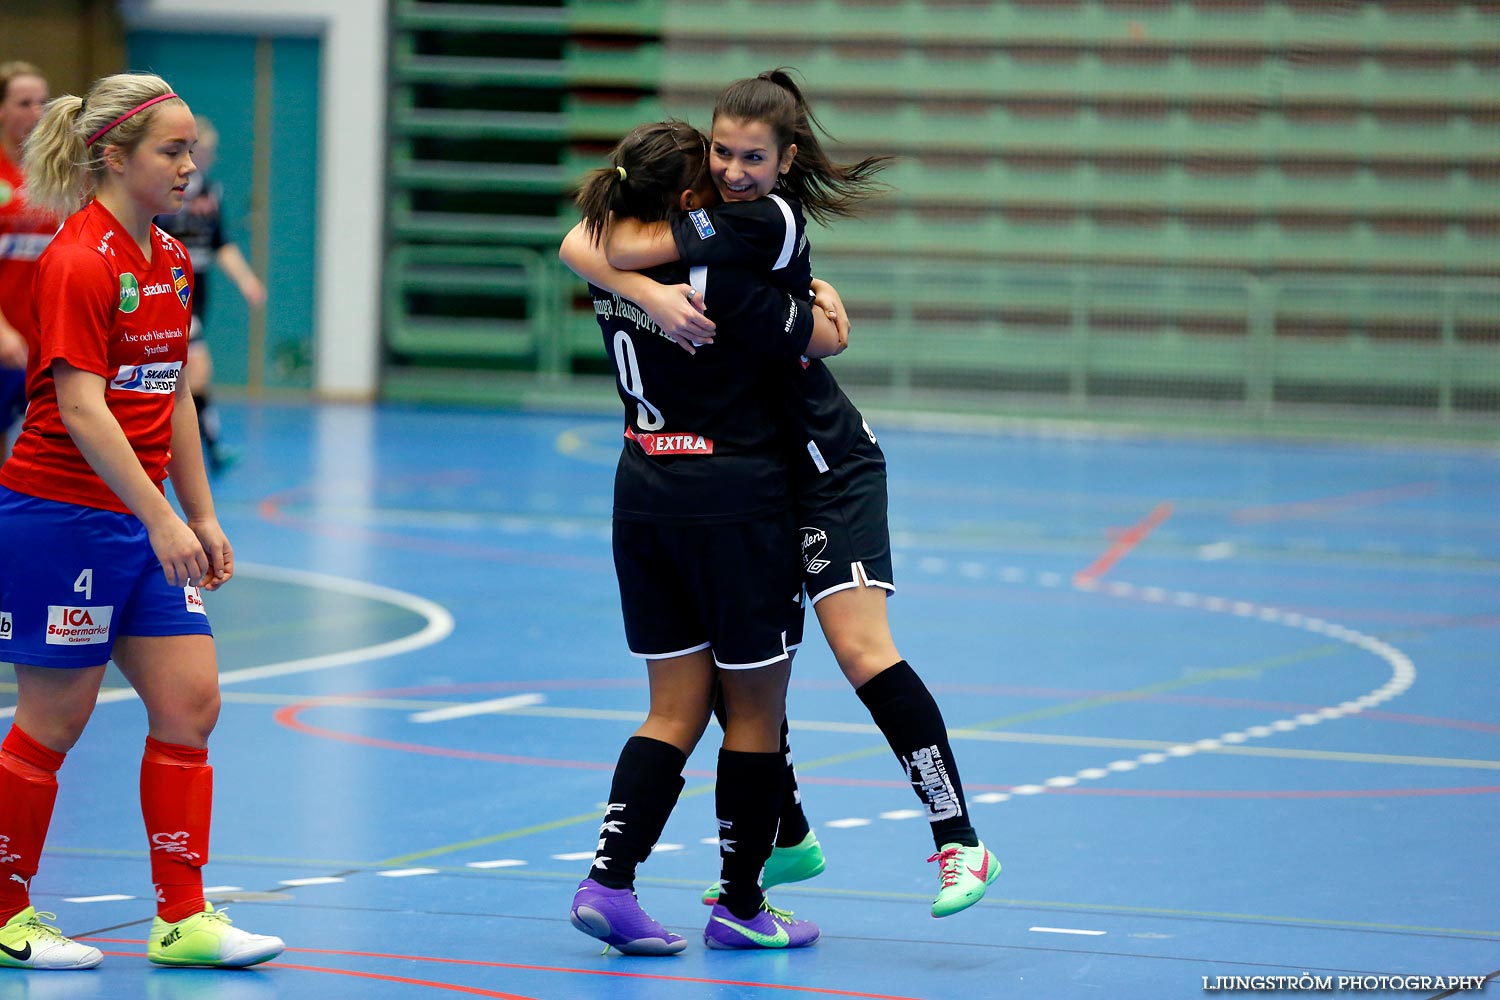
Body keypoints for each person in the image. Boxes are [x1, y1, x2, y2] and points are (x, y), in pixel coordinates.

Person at [595, 68, 1002, 920]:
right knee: (748, 671)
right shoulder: (702, 248)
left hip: (829, 469)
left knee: (855, 651)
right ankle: (785, 841)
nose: (735, 170)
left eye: (753, 157)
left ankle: (960, 841)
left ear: (784, 163)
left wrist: (634, 281)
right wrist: (642, 291)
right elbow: (592, 244)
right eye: (721, 153)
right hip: (759, 479)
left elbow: (610, 247)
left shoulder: (748, 235)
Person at [0, 71, 284, 971]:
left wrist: (199, 514)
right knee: (55, 722)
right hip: (61, 519)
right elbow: (83, 409)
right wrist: (161, 516)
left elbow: (164, 402)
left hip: (141, 520)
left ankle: (183, 917)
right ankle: (6, 913)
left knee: (191, 704)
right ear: (114, 158)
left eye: (190, 148)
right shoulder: (79, 258)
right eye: (171, 149)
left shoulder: (166, 258)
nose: (189, 164)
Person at [559, 120, 847, 954]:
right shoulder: (718, 274)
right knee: (755, 711)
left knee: (673, 708)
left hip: (643, 489)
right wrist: (827, 306)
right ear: (688, 202)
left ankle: (609, 882)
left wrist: (646, 293)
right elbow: (820, 337)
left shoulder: (614, 263)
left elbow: (582, 239)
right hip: (732, 499)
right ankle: (742, 905)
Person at [153, 115, 265, 474]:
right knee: (194, 370)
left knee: (187, 374)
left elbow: (222, 243)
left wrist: (247, 281)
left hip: (197, 292)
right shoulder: (161, 191)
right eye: (199, 150)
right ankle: (195, 445)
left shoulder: (211, 193)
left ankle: (206, 445)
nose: (205, 158)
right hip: (169, 289)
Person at [0, 61, 53, 459]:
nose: (37, 113)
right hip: (6, 336)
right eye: (24, 103)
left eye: (43, 102)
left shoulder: (56, 177)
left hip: (47, 340)